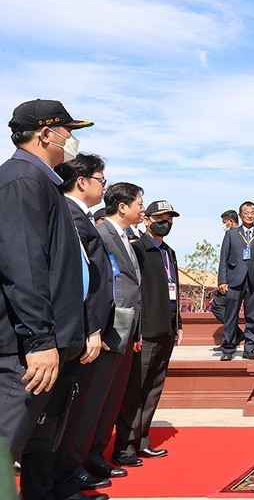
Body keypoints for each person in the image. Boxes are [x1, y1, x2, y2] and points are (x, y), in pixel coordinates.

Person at [0, 100, 91, 489]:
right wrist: (40, 339)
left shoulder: (37, 180)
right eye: (68, 131)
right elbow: (23, 267)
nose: (71, 141)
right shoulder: (22, 181)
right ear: (46, 133)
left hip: (32, 344)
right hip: (18, 351)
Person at [41, 155, 113, 500]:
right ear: (82, 181)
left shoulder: (80, 216)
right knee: (59, 417)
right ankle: (57, 484)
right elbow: (76, 280)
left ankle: (64, 482)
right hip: (73, 332)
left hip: (82, 330)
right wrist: (91, 330)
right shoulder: (68, 216)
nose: (104, 185)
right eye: (101, 178)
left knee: (68, 414)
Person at [114, 200, 183, 466]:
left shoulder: (169, 252)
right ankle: (124, 446)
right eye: (161, 217)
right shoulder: (137, 249)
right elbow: (133, 292)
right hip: (147, 330)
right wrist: (137, 330)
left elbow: (172, 289)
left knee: (154, 388)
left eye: (170, 218)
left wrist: (178, 324)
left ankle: (142, 440)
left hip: (167, 329)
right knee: (135, 390)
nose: (166, 222)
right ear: (146, 219)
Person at [86, 183, 144, 478]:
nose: (141, 209)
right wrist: (102, 329)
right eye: (138, 203)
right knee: (96, 397)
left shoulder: (125, 236)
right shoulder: (102, 233)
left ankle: (97, 453)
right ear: (122, 206)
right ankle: (85, 458)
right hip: (110, 329)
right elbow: (100, 285)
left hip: (126, 328)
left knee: (112, 397)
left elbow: (133, 285)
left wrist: (137, 329)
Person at [217, 202, 254, 361]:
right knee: (231, 316)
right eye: (246, 212)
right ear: (240, 215)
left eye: (253, 212)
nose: (250, 215)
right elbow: (224, 258)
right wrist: (222, 280)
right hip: (234, 280)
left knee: (252, 316)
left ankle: (250, 348)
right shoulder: (231, 234)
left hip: (253, 281)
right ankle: (228, 349)